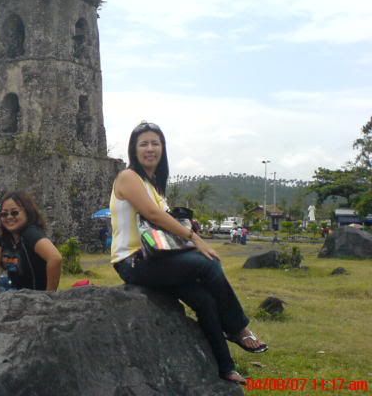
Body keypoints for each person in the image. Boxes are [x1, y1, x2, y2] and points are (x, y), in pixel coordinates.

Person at [110, 122, 268, 385]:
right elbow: (152, 215)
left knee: (204, 300)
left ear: (163, 148)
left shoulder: (155, 186)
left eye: (155, 143)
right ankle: (238, 328)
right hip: (133, 261)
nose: (150, 149)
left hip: (158, 258)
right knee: (208, 265)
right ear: (134, 150)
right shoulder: (128, 177)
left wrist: (186, 226)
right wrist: (194, 238)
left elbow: (162, 221)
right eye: (144, 144)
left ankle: (225, 368)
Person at [0, 191, 62, 297]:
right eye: (4, 214)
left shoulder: (31, 233)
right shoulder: (2, 235)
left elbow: (55, 258)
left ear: (27, 212)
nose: (9, 217)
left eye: (15, 212)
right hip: (13, 289)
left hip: (34, 295)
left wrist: (49, 295)